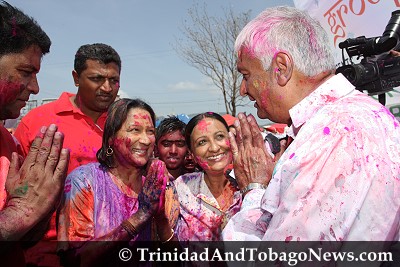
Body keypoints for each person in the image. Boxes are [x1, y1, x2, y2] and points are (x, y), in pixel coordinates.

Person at [222, 6, 400, 242]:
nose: (243, 90)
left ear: (281, 68)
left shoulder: (333, 136)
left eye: (245, 75)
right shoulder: (356, 117)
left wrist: (254, 190)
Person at [13, 42, 121, 265]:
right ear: (76, 78)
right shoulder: (37, 122)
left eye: (114, 80)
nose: (107, 88)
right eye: (97, 78)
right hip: (46, 252)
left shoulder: (125, 124)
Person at [57, 98, 179, 266]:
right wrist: (141, 216)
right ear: (111, 138)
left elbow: (175, 259)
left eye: (150, 131)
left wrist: (160, 219)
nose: (145, 140)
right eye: (135, 130)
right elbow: (74, 260)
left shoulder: (160, 185)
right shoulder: (85, 181)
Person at [173, 112, 241, 241]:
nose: (214, 148)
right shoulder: (182, 187)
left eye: (220, 136)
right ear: (192, 154)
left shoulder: (254, 186)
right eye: (202, 142)